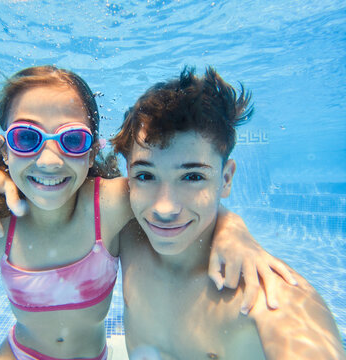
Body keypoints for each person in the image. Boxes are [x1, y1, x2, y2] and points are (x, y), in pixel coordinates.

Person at [0, 66, 294, 360]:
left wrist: (235, 231)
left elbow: (174, 200)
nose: (50, 161)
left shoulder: (108, 205)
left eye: (71, 141)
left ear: (92, 150)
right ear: (4, 145)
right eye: (26, 137)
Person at [110, 67, 345, 359]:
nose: (164, 208)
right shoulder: (127, 233)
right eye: (145, 176)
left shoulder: (272, 298)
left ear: (226, 179)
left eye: (192, 177)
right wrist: (231, 225)